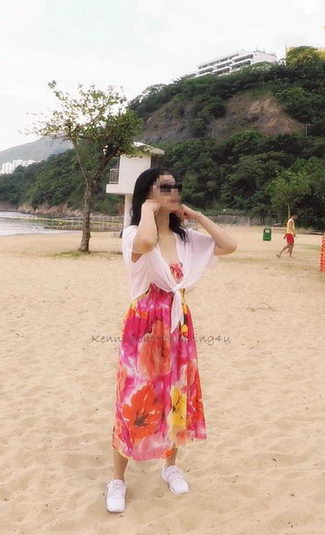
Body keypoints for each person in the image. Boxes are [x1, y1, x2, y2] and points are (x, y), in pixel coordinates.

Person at [105, 168, 237, 514]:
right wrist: (146, 210)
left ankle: (170, 466)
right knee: (133, 400)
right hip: (143, 327)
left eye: (176, 186)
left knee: (177, 395)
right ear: (147, 193)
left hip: (178, 326)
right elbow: (146, 244)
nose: (173, 191)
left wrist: (198, 217)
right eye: (164, 187)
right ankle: (117, 479)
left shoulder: (186, 239)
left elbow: (229, 245)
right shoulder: (133, 234)